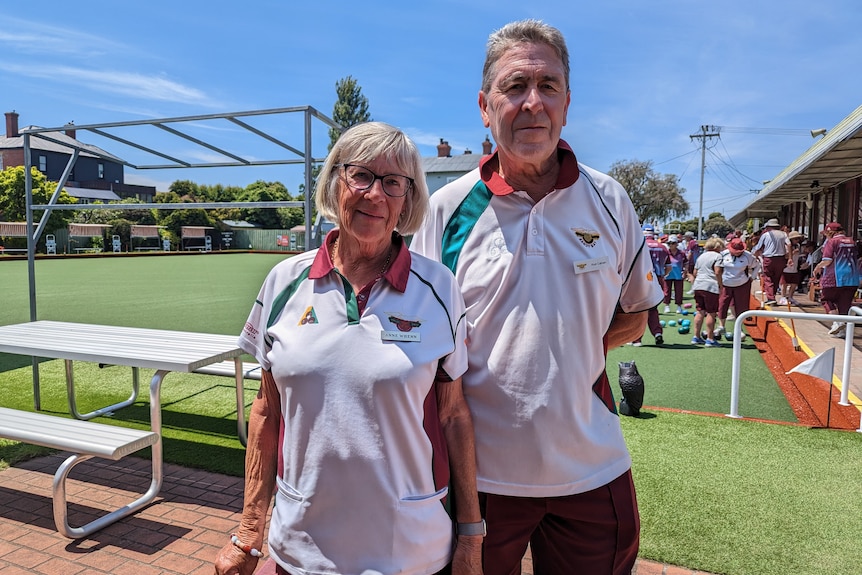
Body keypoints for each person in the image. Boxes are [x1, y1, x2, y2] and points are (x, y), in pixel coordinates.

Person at [410, 19, 663, 575]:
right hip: (478, 482)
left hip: (592, 470)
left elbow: (638, 313)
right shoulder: (447, 209)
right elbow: (424, 339)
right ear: (484, 105)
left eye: (548, 86)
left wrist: (575, 352)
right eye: (514, 86)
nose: (532, 103)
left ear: (568, 104)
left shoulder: (609, 199)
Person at [214, 122, 483, 575]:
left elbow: (453, 415)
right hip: (300, 550)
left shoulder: (438, 288)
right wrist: (249, 531)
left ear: (408, 199)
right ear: (335, 181)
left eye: (393, 182)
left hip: (411, 550)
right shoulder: (283, 282)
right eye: (361, 175)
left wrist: (472, 537)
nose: (374, 194)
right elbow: (265, 411)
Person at [813, 222, 861, 339]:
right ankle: (842, 330)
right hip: (852, 277)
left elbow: (827, 260)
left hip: (835, 276)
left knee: (826, 299)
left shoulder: (832, 242)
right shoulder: (852, 242)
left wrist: (817, 267)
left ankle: (837, 322)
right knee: (844, 303)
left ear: (830, 232)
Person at [632, 225, 669, 346]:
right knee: (653, 308)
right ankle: (657, 332)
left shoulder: (638, 244)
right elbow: (668, 267)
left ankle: (637, 338)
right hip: (657, 278)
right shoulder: (663, 247)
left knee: (639, 308)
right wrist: (662, 276)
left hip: (640, 279)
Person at [715, 237, 757, 340]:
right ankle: (721, 326)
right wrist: (718, 282)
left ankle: (739, 329)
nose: (737, 253)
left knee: (741, 306)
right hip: (725, 284)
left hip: (742, 284)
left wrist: (752, 278)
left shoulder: (748, 256)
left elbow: (757, 265)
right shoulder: (723, 254)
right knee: (722, 304)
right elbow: (717, 268)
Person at [690, 237, 725, 347]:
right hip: (711, 286)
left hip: (698, 285)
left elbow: (695, 272)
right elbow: (718, 271)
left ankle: (696, 336)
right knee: (711, 312)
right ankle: (710, 338)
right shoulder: (718, 256)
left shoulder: (701, 256)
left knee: (700, 311)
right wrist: (720, 284)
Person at [752, 218, 790, 304]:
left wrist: (754, 257)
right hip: (781, 258)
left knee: (768, 277)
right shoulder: (783, 234)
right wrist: (790, 257)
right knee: (776, 278)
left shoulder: (766, 235)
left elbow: (758, 248)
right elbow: (789, 244)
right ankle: (772, 295)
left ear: (768, 227)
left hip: (769, 258)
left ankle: (771, 298)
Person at [780, 230, 805, 305]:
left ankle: (790, 297)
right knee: (784, 283)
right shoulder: (785, 246)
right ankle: (783, 297)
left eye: (798, 239)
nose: (797, 240)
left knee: (794, 283)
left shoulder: (798, 246)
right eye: (795, 239)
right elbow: (785, 256)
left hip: (795, 267)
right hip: (786, 268)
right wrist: (793, 252)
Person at [663, 234, 687, 313]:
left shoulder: (681, 253)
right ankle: (667, 305)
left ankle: (679, 306)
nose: (671, 245)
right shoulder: (666, 253)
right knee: (666, 291)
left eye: (673, 243)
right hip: (667, 275)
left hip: (678, 275)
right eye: (669, 243)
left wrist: (685, 272)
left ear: (677, 244)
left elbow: (686, 263)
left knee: (679, 291)